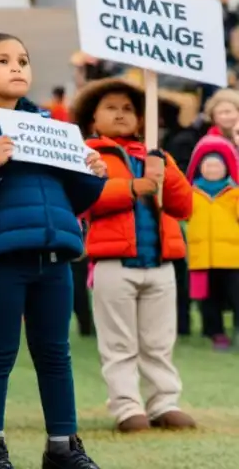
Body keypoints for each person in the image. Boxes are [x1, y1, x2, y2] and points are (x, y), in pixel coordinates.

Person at [0, 33, 106, 469]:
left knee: (55, 353)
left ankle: (63, 445)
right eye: (4, 61)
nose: (17, 68)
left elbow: (72, 196)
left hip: (53, 256)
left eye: (24, 61)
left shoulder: (49, 127)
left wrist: (93, 175)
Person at [72, 78, 195, 432]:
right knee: (120, 342)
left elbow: (183, 206)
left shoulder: (158, 155)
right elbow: (86, 199)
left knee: (159, 341)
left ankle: (164, 402)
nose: (121, 114)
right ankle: (127, 408)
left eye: (129, 109)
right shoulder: (87, 155)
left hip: (160, 264)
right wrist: (131, 187)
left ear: (142, 120)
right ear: (93, 118)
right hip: (113, 264)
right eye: (111, 107)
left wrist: (165, 173)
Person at [186, 135, 239, 351]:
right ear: (200, 168)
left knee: (236, 297)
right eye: (208, 165)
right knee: (208, 300)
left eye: (218, 165)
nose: (213, 169)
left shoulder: (234, 194)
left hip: (233, 258)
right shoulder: (190, 193)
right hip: (202, 258)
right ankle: (216, 333)